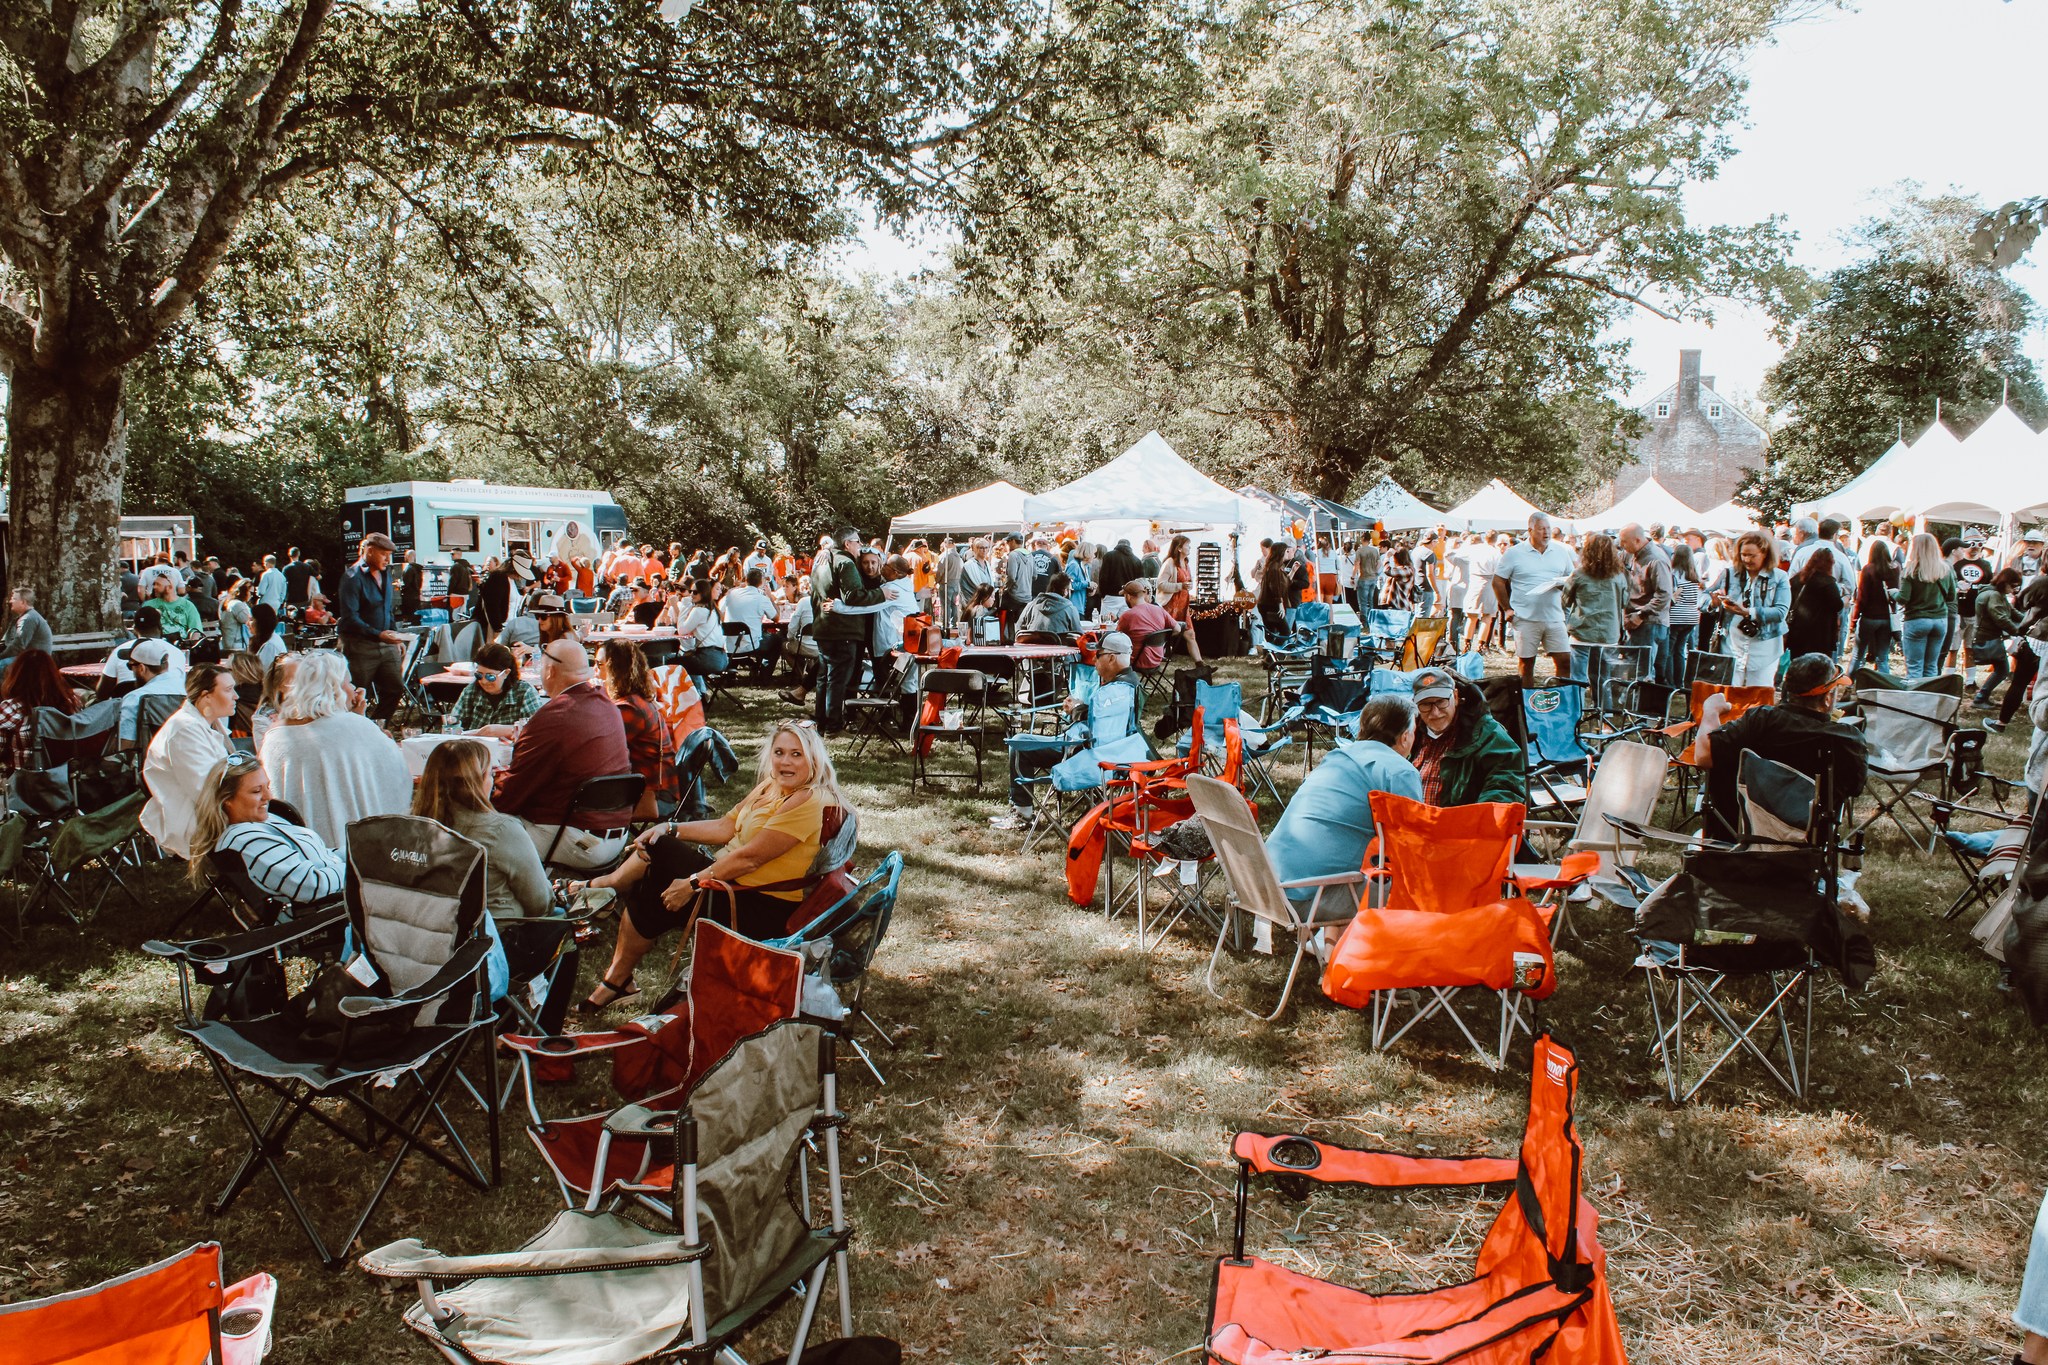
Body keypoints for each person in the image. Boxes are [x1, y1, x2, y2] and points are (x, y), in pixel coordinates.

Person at [574, 720, 845, 1009]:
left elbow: (750, 858)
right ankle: (616, 975)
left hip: (761, 907)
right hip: (731, 884)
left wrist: (692, 883)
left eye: (796, 754)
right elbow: (725, 826)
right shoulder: (772, 787)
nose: (785, 762)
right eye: (779, 752)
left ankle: (607, 892)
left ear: (814, 758)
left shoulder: (811, 800)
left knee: (657, 857)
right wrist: (670, 827)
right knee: (654, 880)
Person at [1693, 652, 1866, 843]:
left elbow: (1702, 755)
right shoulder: (1846, 739)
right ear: (1827, 699)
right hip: (1805, 849)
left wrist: (1711, 710)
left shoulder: (1760, 722)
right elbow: (1854, 787)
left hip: (1740, 841)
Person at [494, 638, 635, 870]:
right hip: (615, 834)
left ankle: (514, 903)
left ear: (549, 671)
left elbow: (509, 796)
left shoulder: (555, 716)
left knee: (478, 832)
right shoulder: (605, 703)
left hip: (574, 838)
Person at [1265, 695, 1424, 898]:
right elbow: (1412, 846)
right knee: (1412, 889)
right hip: (1311, 894)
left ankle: (1334, 931)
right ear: (1405, 736)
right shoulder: (1400, 771)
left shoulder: (1337, 757)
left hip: (1269, 884)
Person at [258, 650, 410, 850]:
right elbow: (397, 774)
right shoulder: (356, 727)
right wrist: (359, 720)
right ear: (333, 688)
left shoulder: (274, 736)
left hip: (297, 851)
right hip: (355, 850)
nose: (354, 688)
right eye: (348, 682)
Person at [995, 630, 1146, 825]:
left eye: (1098, 656)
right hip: (1117, 755)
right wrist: (1081, 708)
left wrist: (1076, 710)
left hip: (1087, 755)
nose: (1094, 661)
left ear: (1111, 658)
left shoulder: (1113, 691)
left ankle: (1022, 813)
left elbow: (1097, 735)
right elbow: (1106, 723)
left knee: (1018, 744)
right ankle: (1022, 812)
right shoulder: (1128, 686)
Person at [414, 738, 552, 922]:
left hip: (432, 929)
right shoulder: (501, 830)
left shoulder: (411, 824)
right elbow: (539, 903)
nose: (493, 780)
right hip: (495, 937)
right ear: (474, 783)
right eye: (489, 774)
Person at [188, 753, 345, 907]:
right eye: (256, 791)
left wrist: (358, 853)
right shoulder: (248, 840)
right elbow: (311, 886)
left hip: (337, 887)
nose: (268, 796)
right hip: (330, 909)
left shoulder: (261, 821)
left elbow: (318, 857)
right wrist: (357, 867)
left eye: (267, 787)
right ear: (227, 799)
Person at [140, 663, 237, 858]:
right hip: (196, 821)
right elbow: (205, 791)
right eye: (228, 690)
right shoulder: (185, 730)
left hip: (217, 810)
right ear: (206, 696)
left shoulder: (206, 721)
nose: (236, 696)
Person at [1407, 667, 1525, 807]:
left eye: (1441, 702)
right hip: (1411, 821)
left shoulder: (1486, 733)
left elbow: (1506, 781)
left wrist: (1478, 817)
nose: (1435, 713)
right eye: (1425, 705)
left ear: (1455, 697)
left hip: (1462, 824)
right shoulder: (1407, 731)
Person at [596, 639, 680, 820]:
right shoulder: (636, 699)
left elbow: (598, 753)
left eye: (598, 664)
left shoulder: (629, 709)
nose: (594, 671)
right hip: (654, 789)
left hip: (653, 797)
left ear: (614, 669)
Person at [1492, 513, 1577, 686]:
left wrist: (1564, 584)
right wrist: (1507, 608)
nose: (1546, 533)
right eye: (1541, 529)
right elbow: (1498, 581)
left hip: (1555, 616)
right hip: (1525, 617)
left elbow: (1571, 577)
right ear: (1530, 530)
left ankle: (1561, 702)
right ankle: (1526, 706)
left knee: (1564, 660)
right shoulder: (1514, 553)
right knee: (1526, 664)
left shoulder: (1560, 551)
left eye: (1548, 529)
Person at [813, 526, 885, 732]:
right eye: (858, 541)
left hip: (823, 627)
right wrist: (882, 594)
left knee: (824, 678)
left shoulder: (822, 561)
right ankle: (833, 724)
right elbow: (853, 596)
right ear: (847, 544)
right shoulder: (845, 562)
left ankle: (821, 720)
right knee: (836, 680)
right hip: (841, 629)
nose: (860, 545)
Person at [336, 531, 409, 721]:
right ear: (369, 551)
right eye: (383, 554)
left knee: (395, 689)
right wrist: (379, 634)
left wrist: (394, 636)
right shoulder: (352, 577)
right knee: (356, 693)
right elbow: (350, 617)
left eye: (390, 554)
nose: (387, 559)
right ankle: (356, 729)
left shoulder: (386, 574)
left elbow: (388, 609)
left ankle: (377, 727)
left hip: (386, 643)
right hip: (360, 646)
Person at [1709, 529, 1790, 687]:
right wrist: (1713, 602)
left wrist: (1748, 612)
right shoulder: (1729, 574)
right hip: (1731, 646)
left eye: (1752, 555)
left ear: (1765, 553)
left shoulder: (1779, 577)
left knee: (1758, 695)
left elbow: (1781, 612)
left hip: (1765, 648)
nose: (1746, 559)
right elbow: (1704, 596)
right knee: (1728, 696)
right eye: (1743, 554)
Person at [1563, 533, 1629, 686]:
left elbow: (1565, 600)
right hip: (1608, 633)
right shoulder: (1619, 576)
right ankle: (1604, 709)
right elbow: (1624, 602)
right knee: (1603, 678)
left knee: (1577, 678)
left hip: (1582, 632)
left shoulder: (1578, 574)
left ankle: (1577, 708)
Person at [0, 651, 76, 779]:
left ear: (16, 676)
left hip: (23, 787)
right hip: (66, 782)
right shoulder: (72, 704)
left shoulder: (10, 709)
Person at [1615, 523, 1673, 684]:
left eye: (1624, 541)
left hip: (1649, 623)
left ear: (1637, 540)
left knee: (1642, 672)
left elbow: (1664, 594)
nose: (1622, 545)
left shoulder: (1656, 560)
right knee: (1634, 668)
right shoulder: (1631, 555)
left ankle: (1640, 707)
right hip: (1634, 620)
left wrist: (1641, 615)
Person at [1896, 532, 1957, 682]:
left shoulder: (1910, 570)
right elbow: (1951, 596)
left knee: (1915, 667)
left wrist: (1892, 594)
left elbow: (1903, 598)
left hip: (1916, 620)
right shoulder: (1945, 570)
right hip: (1940, 620)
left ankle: (1914, 702)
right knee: (1931, 666)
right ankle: (1929, 701)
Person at [450, 642, 544, 736]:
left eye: (490, 677)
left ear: (506, 673)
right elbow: (453, 725)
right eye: (479, 675)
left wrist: (507, 730)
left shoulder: (524, 692)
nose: (484, 681)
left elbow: (539, 729)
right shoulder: (471, 691)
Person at [1112, 580, 1200, 669]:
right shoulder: (1159, 610)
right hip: (1157, 659)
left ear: (1128, 596)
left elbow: (1116, 638)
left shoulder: (1128, 615)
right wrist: (1162, 637)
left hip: (1136, 660)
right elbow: (1178, 629)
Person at [1970, 567, 2024, 710]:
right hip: (1987, 638)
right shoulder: (1994, 595)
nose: (2014, 590)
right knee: (2002, 670)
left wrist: (2029, 621)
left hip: (1989, 637)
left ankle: (1981, 697)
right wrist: (2019, 631)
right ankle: (1980, 698)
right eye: (2012, 586)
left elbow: (2013, 613)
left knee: (2002, 670)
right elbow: (2001, 618)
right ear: (2004, 582)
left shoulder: (1996, 594)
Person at [118, 638, 188, 743]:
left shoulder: (135, 698)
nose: (131, 670)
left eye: (130, 666)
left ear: (142, 668)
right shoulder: (191, 690)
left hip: (154, 757)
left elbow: (127, 744)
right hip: (198, 754)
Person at [1784, 546, 1844, 662]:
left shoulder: (1798, 579)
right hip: (1820, 634)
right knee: (1817, 669)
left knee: (1798, 665)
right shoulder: (1828, 583)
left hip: (1798, 631)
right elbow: (1837, 605)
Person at [1850, 538, 1897, 675]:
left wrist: (1854, 620)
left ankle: (1849, 683)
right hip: (1887, 618)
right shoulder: (1894, 569)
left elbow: (1862, 597)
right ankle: (1884, 686)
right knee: (1883, 657)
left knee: (1857, 655)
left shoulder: (1868, 569)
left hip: (1869, 617)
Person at [675, 577, 730, 676]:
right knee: (687, 660)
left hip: (708, 658)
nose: (691, 595)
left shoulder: (699, 610)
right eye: (691, 592)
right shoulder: (713, 610)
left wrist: (684, 607)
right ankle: (698, 690)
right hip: (722, 658)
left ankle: (692, 690)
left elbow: (682, 631)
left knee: (672, 664)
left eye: (695, 592)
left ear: (703, 593)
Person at [721, 566, 777, 654]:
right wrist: (770, 596)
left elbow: (721, 612)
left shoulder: (731, 594)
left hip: (730, 645)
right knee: (777, 640)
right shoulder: (762, 599)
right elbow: (776, 618)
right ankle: (765, 667)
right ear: (761, 582)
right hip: (751, 646)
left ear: (746, 580)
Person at [1017, 570, 1083, 641]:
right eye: (1070, 589)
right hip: (1060, 650)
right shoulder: (1070, 609)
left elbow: (1018, 629)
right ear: (1065, 591)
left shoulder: (1031, 605)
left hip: (1032, 650)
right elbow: (1078, 635)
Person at [0, 587, 55, 668]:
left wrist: (1, 656)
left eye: (14, 599)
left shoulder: (29, 618)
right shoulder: (18, 620)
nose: (10, 601)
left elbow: (18, 646)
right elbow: (4, 643)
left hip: (36, 661)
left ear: (22, 602)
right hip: (25, 657)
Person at [147, 574, 203, 644]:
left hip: (181, 645)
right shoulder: (148, 606)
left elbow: (196, 631)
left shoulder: (188, 605)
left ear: (170, 587)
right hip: (157, 646)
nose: (154, 587)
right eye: (154, 584)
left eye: (158, 584)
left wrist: (190, 647)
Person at [1000, 532, 1036, 640]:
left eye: (1008, 541)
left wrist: (1006, 588)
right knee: (1021, 623)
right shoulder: (1030, 554)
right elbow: (1035, 575)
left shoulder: (1013, 554)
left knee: (1008, 621)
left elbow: (1011, 576)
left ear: (1012, 541)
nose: (1007, 544)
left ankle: (1007, 639)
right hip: (1027, 596)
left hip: (1014, 595)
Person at [217, 580, 254, 654]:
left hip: (228, 640)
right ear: (243, 591)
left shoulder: (228, 602)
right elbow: (247, 620)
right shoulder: (237, 605)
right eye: (251, 592)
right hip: (236, 643)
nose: (252, 595)